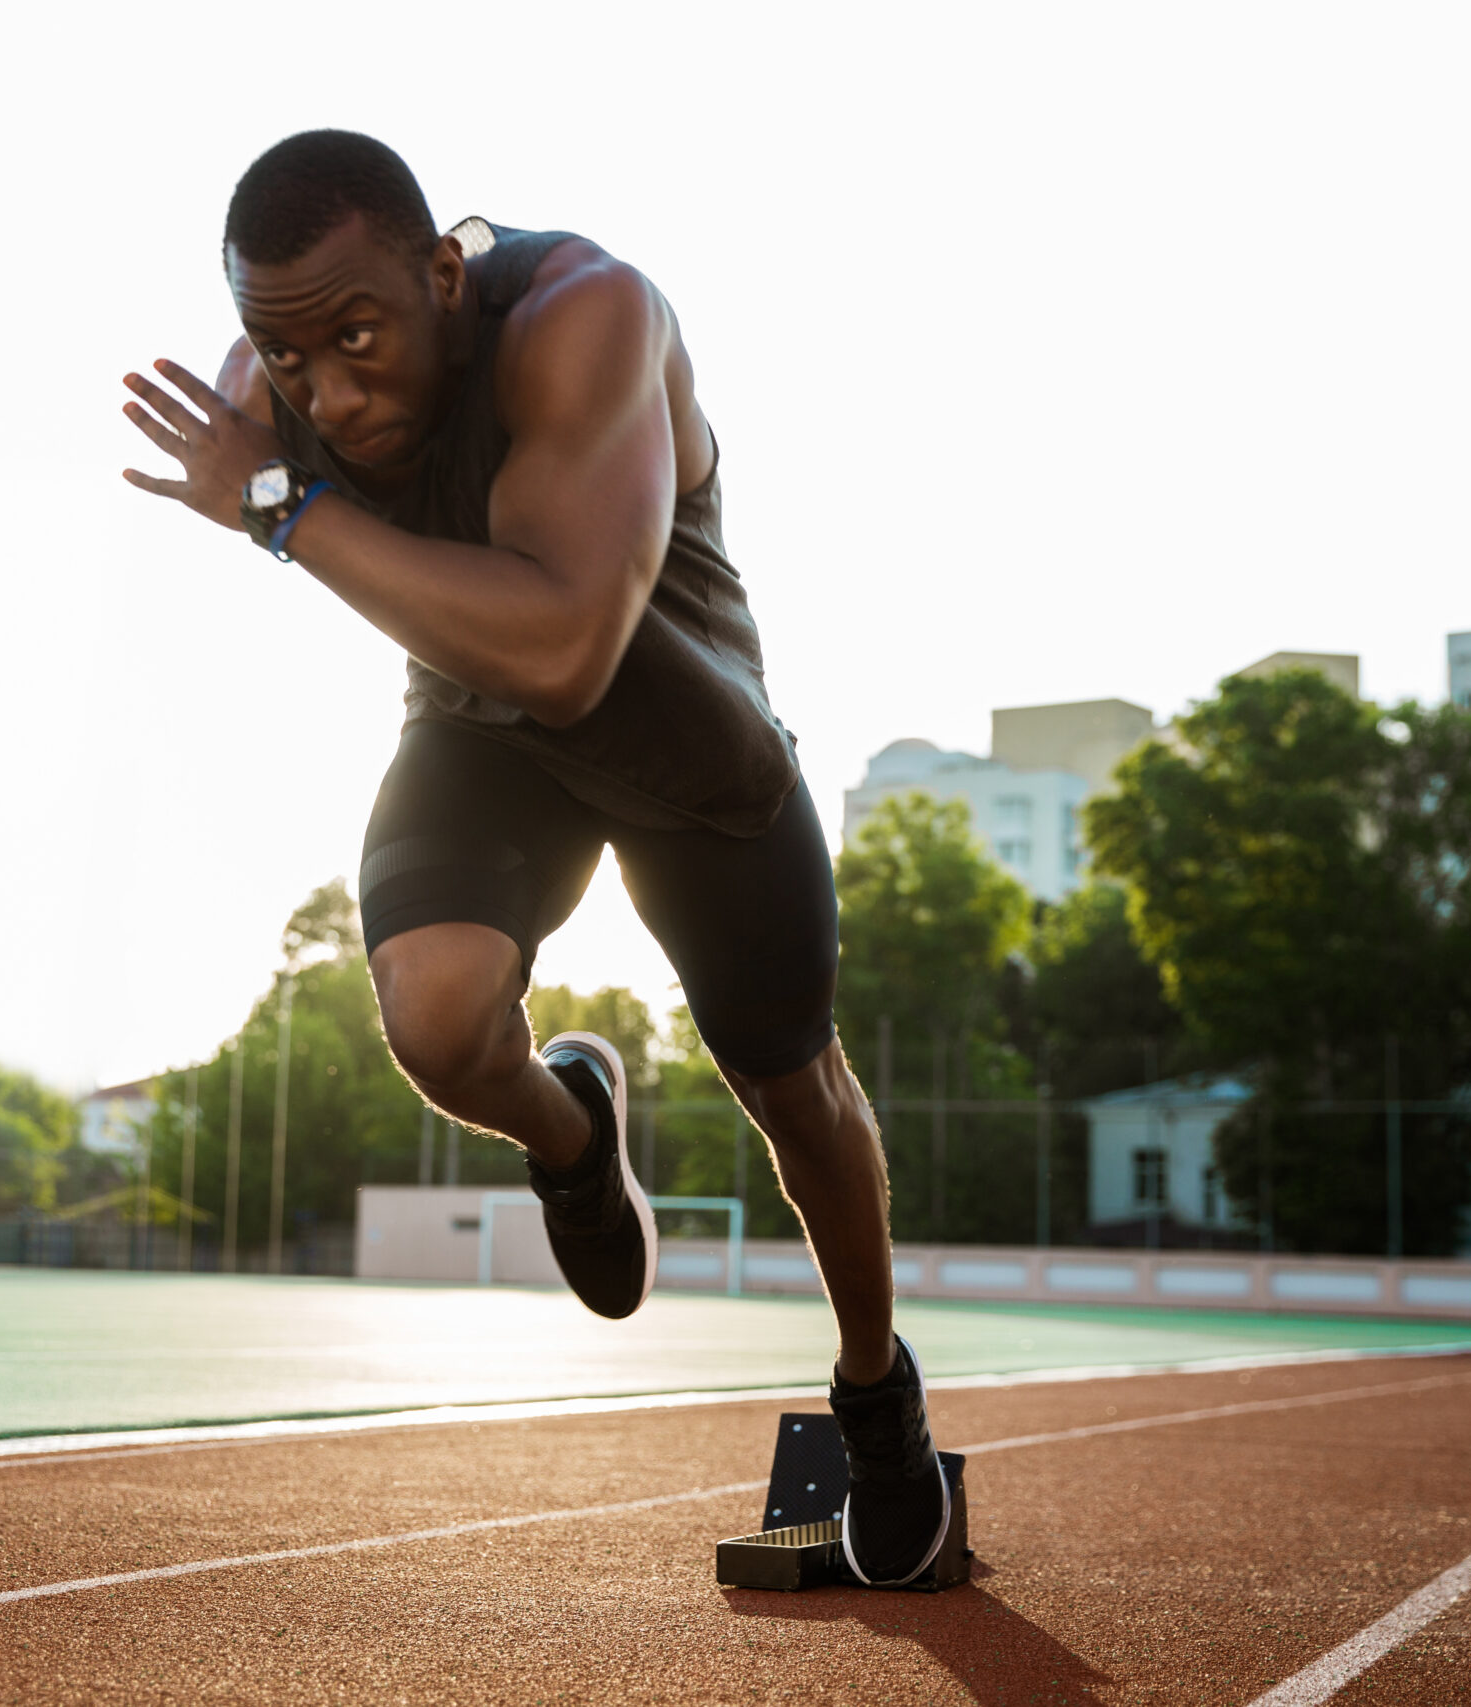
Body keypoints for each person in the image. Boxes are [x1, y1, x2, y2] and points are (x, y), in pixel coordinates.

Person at [120, 130, 950, 1588]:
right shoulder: (267, 397)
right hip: (476, 716)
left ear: (445, 273)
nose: (329, 393)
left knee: (794, 1093)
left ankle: (875, 1392)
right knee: (436, 1023)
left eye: (360, 338)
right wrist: (282, 484)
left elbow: (570, 649)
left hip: (674, 722)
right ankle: (573, 1130)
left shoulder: (589, 316)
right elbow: (448, 616)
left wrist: (279, 507)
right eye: (291, 361)